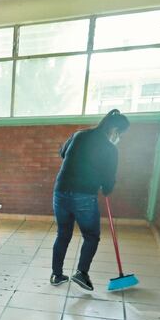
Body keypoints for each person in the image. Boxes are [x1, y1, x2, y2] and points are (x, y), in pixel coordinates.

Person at [50, 109, 130, 291]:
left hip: (60, 191)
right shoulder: (110, 149)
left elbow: (63, 154)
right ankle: (81, 273)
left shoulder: (79, 135)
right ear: (115, 129)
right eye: (120, 134)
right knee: (91, 236)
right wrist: (107, 188)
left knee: (63, 234)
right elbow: (109, 180)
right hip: (84, 195)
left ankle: (56, 274)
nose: (119, 138)